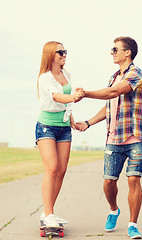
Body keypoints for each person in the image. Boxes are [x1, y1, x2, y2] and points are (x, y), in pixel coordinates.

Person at [75, 37, 142, 239]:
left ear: (128, 52)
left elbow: (115, 92)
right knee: (109, 182)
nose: (112, 52)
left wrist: (87, 93)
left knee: (134, 179)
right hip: (114, 138)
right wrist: (88, 122)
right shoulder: (113, 77)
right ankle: (114, 209)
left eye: (115, 48)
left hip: (135, 136)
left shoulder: (136, 73)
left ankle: (133, 225)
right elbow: (110, 102)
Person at [35, 41, 83, 228]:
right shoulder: (45, 78)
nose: (64, 54)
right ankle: (49, 214)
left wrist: (72, 122)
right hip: (46, 126)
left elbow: (66, 105)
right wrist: (73, 96)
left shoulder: (66, 74)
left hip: (64, 127)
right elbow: (56, 96)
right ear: (50, 55)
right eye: (60, 52)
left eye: (65, 51)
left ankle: (48, 213)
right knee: (52, 168)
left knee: (62, 171)